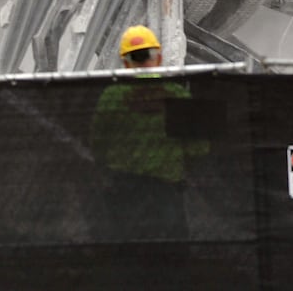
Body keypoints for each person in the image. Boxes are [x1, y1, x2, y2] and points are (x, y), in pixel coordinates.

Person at [89, 25, 209, 243]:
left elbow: (98, 146)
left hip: (124, 192)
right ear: (159, 57)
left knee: (128, 256)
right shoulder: (179, 95)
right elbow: (199, 149)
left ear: (125, 62)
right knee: (171, 257)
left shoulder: (111, 96)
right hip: (166, 194)